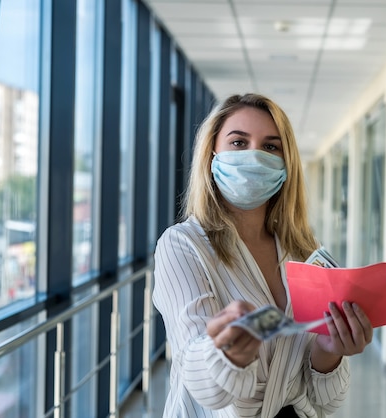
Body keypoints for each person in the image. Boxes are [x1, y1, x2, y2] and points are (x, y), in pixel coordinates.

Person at [152, 93, 373, 418]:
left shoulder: (303, 252)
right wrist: (226, 355)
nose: (254, 156)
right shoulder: (184, 245)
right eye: (239, 143)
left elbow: (326, 401)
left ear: (286, 165)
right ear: (212, 155)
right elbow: (197, 372)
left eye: (270, 147)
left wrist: (331, 351)